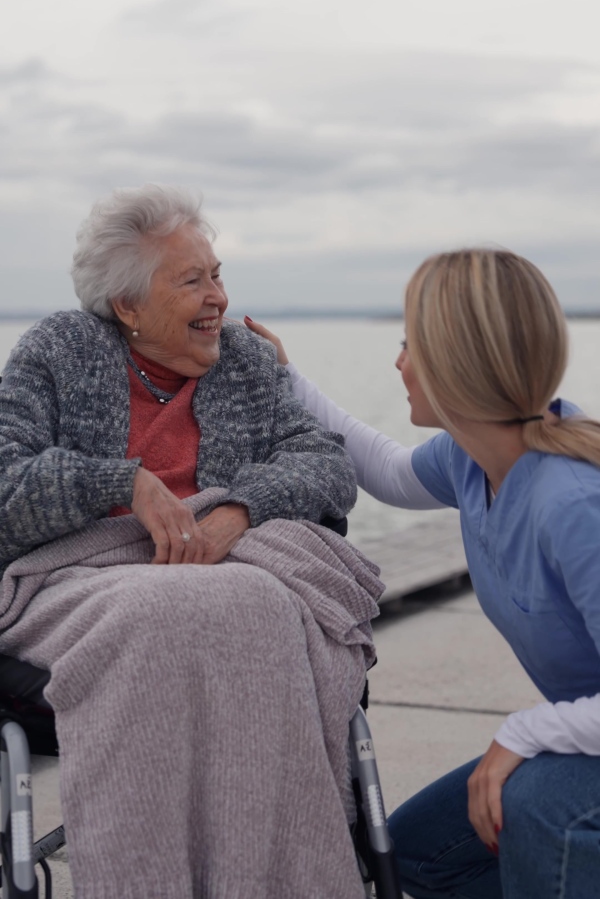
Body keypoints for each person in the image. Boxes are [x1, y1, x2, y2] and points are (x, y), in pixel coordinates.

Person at [0, 184, 382, 899]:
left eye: (216, 273)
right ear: (128, 307)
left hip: (219, 570)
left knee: (259, 603)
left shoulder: (243, 361)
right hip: (75, 576)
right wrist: (120, 481)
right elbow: (4, 483)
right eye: (192, 280)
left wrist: (239, 508)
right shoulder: (56, 351)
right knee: (172, 614)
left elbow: (325, 464)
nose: (218, 297)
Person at [245, 247, 600, 899]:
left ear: (456, 363)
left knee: (539, 808)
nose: (398, 361)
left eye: (411, 344)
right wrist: (285, 379)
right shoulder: (476, 457)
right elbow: (386, 471)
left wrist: (523, 733)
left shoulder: (573, 502)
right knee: (416, 855)